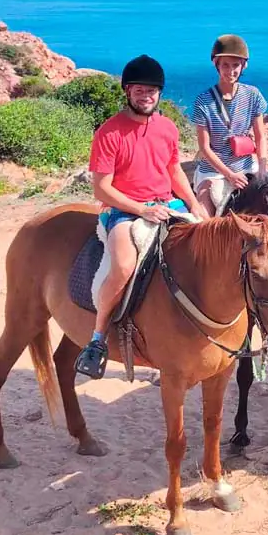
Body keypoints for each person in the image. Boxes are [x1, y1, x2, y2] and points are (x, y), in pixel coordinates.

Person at [74, 54, 208, 379]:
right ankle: (97, 339)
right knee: (122, 267)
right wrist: (141, 209)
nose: (146, 96)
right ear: (127, 91)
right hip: (124, 211)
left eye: (152, 91)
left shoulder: (167, 128)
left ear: (159, 94)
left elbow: (173, 170)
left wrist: (193, 204)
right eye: (139, 90)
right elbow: (102, 189)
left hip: (167, 206)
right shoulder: (109, 133)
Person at [192, 34, 268, 216]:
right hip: (213, 170)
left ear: (244, 66)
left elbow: (260, 136)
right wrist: (229, 175)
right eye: (225, 65)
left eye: (236, 65)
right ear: (216, 65)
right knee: (204, 219)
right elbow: (204, 147)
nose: (231, 70)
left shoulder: (253, 95)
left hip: (247, 166)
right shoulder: (203, 101)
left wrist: (262, 171)